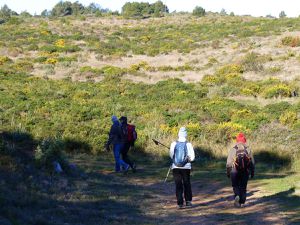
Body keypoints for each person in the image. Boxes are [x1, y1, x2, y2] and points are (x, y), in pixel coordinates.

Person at [226, 132, 255, 207]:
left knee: (235, 185)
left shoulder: (233, 149)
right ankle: (242, 201)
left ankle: (237, 196)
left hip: (234, 170)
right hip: (245, 171)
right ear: (244, 140)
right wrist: (252, 172)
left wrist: (228, 172)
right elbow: (252, 162)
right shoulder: (247, 149)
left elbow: (229, 163)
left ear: (237, 140)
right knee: (243, 186)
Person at [169, 127, 195, 209]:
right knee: (187, 183)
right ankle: (188, 202)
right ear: (186, 134)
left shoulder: (173, 144)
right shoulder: (189, 144)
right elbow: (193, 158)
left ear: (179, 134)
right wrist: (188, 160)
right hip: (186, 167)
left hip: (175, 167)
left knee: (178, 184)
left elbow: (171, 155)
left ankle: (180, 203)